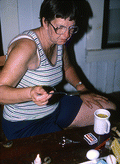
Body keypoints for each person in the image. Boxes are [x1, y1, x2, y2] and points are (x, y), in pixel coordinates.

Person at [0, 0, 116, 140]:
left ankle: (61, 127)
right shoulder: (26, 47)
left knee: (107, 109)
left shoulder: (58, 39)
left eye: (71, 28)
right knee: (67, 153)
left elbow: (67, 67)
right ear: (45, 22)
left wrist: (82, 89)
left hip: (54, 107)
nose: (67, 35)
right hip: (24, 124)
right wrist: (30, 93)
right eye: (60, 27)